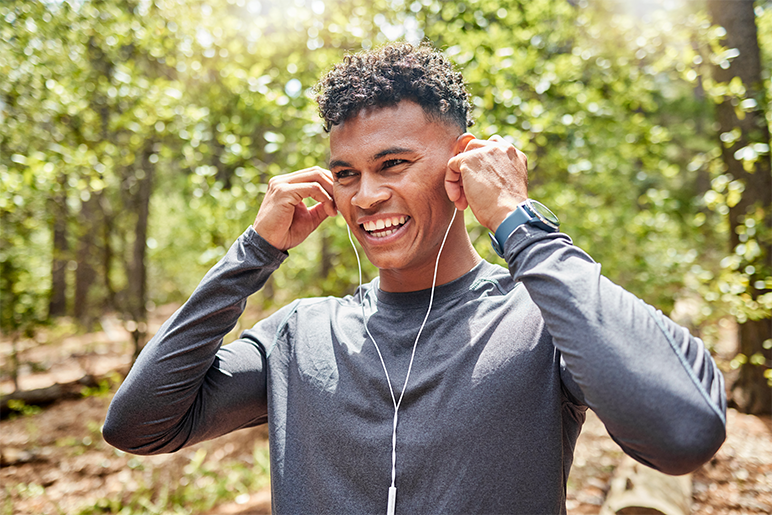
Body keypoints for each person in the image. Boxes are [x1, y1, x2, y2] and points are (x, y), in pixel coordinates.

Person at [104, 43, 726, 514]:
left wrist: (518, 221)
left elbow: (683, 430)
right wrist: (253, 252)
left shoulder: (542, 319)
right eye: (345, 174)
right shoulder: (298, 335)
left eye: (394, 164)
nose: (366, 196)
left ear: (463, 161)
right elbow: (138, 424)